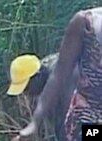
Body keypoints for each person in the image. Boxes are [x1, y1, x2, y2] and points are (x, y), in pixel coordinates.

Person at [8, 7, 102, 141]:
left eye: (27, 88)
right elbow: (59, 75)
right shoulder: (86, 23)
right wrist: (35, 123)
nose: (27, 94)